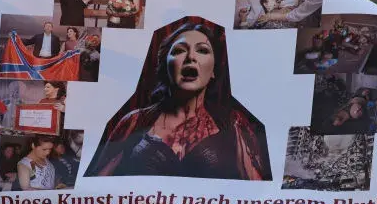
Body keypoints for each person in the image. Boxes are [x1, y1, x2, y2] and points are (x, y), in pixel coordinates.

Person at [87, 16, 271, 179]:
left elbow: (258, 195)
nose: (191, 57)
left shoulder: (233, 124)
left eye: (203, 50)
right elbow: (98, 188)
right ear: (165, 66)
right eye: (179, 51)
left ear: (213, 70)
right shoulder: (134, 121)